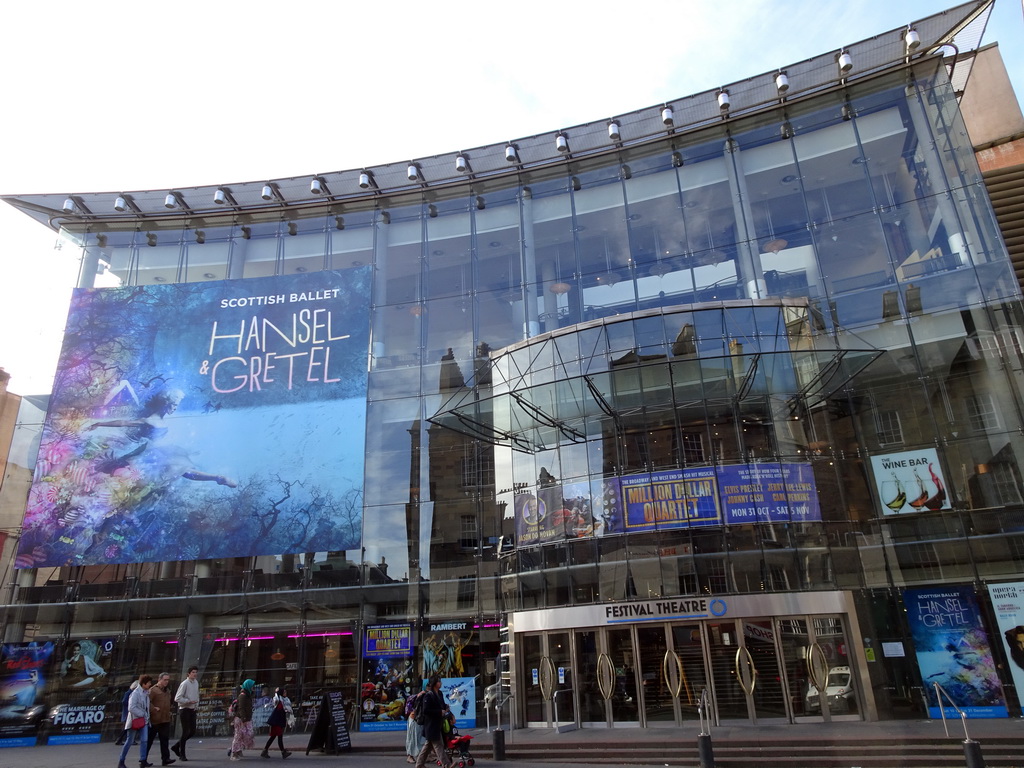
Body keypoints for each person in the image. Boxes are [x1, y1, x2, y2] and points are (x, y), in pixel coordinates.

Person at [413, 675, 451, 768]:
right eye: (439, 681)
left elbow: (441, 705)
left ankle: (419, 764)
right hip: (431, 725)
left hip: (438, 723)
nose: (440, 683)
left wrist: (445, 707)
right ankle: (446, 764)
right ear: (434, 683)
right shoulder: (428, 695)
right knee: (439, 745)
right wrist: (439, 711)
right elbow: (426, 710)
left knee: (428, 746)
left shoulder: (440, 693)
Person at [118, 674, 153, 768]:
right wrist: (143, 714)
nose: (150, 684)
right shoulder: (135, 693)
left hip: (144, 720)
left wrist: (146, 716)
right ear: (144, 683)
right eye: (149, 683)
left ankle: (143, 760)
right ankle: (121, 760)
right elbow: (131, 707)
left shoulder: (146, 693)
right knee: (129, 740)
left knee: (144, 740)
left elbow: (146, 706)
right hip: (135, 719)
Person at [144, 672, 176, 766]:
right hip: (155, 719)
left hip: (165, 719)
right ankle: (143, 758)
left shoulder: (167, 691)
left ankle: (165, 758)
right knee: (149, 740)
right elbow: (147, 702)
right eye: (165, 680)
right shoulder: (153, 690)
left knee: (165, 739)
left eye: (168, 680)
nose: (166, 682)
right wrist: (153, 709)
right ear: (159, 680)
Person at [171, 666, 200, 761]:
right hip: (185, 709)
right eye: (193, 672)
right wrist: (188, 701)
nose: (195, 674)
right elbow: (177, 698)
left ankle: (176, 746)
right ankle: (182, 753)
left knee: (192, 731)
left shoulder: (196, 683)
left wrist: (196, 705)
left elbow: (197, 695)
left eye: (196, 672)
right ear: (188, 674)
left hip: (192, 709)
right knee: (185, 731)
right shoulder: (184, 684)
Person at [260, 687, 293, 759]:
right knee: (279, 736)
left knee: (273, 737)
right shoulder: (280, 701)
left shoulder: (284, 700)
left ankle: (265, 751)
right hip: (276, 721)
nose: (285, 693)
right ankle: (283, 752)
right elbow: (280, 709)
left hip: (277, 721)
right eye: (284, 692)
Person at [230, 678, 256, 761]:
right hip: (241, 719)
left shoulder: (248, 695)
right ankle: (234, 752)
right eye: (252, 686)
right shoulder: (243, 696)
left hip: (247, 719)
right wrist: (244, 719)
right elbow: (241, 708)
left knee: (248, 734)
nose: (253, 688)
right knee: (238, 735)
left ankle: (239, 749)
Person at [404, 684, 426, 763]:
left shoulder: (424, 695)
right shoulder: (422, 696)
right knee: (412, 738)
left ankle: (424, 756)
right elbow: (418, 708)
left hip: (418, 719)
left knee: (420, 738)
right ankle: (410, 756)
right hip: (415, 719)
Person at [116, 680, 140, 746]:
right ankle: (121, 740)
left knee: (130, 727)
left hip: (130, 712)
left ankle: (127, 740)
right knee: (127, 728)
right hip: (128, 713)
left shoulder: (132, 692)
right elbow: (124, 702)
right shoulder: (129, 693)